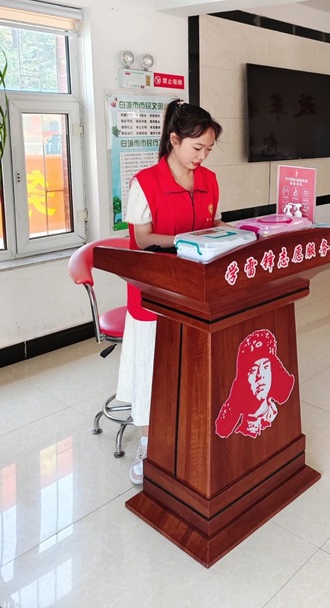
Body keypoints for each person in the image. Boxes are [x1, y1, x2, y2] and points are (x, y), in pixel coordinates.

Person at [116, 99, 222, 484]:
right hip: (153, 288)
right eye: (197, 147)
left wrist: (229, 233)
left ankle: (188, 431)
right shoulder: (145, 183)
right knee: (151, 370)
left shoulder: (209, 180)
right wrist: (185, 240)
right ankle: (149, 444)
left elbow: (215, 222)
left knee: (192, 363)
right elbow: (143, 239)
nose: (202, 156)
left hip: (195, 287)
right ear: (174, 140)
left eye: (209, 149)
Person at [215, 329, 295, 439]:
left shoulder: (279, 414)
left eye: (265, 367)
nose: (260, 376)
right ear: (243, 378)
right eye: (253, 370)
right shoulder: (240, 430)